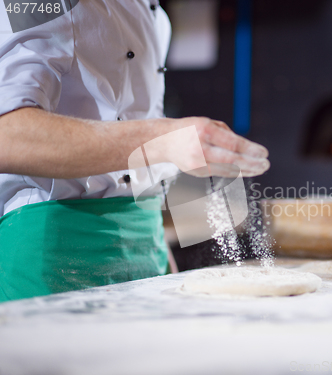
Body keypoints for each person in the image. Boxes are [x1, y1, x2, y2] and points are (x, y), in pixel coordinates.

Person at [0, 0, 269, 302]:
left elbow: (137, 174)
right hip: (53, 257)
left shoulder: (153, 14)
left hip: (146, 249)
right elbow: (7, 136)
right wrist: (164, 139)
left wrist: (162, 259)